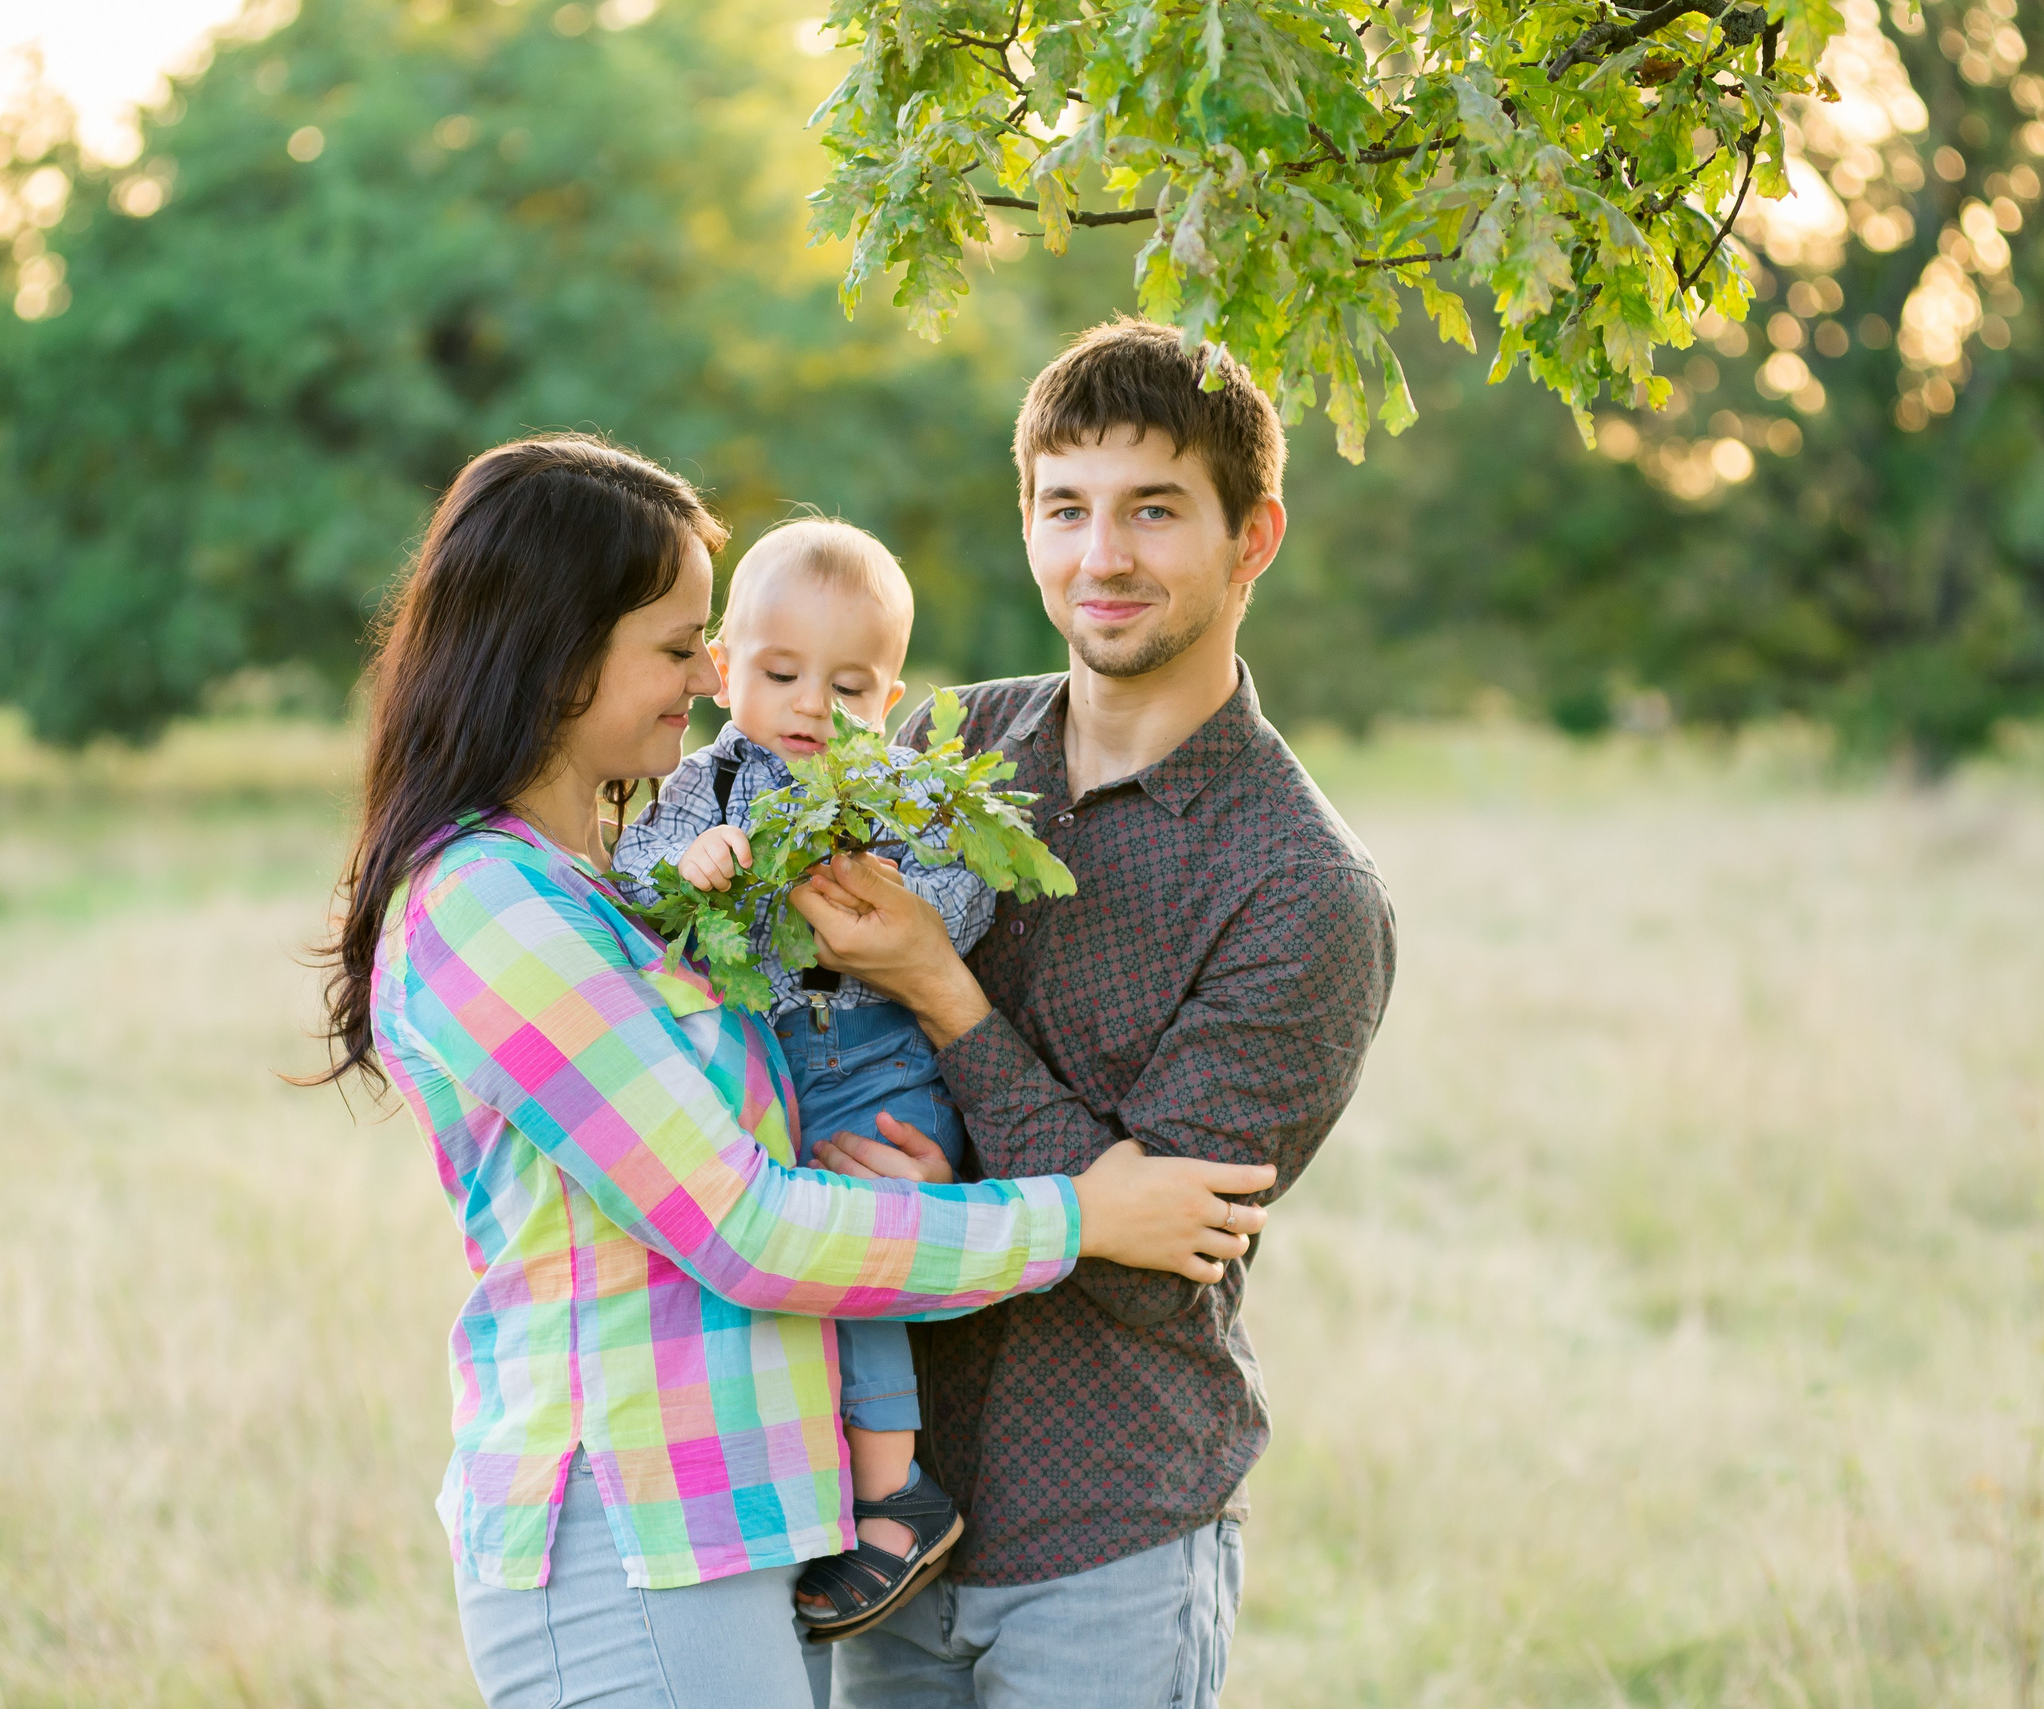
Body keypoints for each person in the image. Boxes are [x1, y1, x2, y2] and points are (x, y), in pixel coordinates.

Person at [310, 431, 1278, 1709]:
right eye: (675, 647)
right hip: (630, 1523)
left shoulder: (593, 893)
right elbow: (743, 1224)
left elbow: (759, 1155)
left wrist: (900, 1166)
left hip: (718, 1526)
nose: (701, 681)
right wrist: (1083, 1213)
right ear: (555, 651)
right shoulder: (493, 908)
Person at [790, 321, 1399, 1709]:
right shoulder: (946, 747)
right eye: (1067, 508)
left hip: (1111, 1534)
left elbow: (1142, 1253)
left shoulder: (1303, 890)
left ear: (1255, 538)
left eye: (1154, 511)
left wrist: (941, 993)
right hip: (884, 1518)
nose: (1101, 556)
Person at [609, 518, 994, 1641]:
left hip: (876, 1065)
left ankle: (892, 1493)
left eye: (851, 685)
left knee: (852, 1259)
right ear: (726, 670)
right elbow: (632, 870)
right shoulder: (706, 783)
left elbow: (965, 906)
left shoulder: (895, 793)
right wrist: (690, 863)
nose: (814, 705)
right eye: (781, 674)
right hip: (771, 1065)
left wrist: (897, 902)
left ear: (892, 694)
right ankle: (828, 1485)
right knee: (778, 1266)